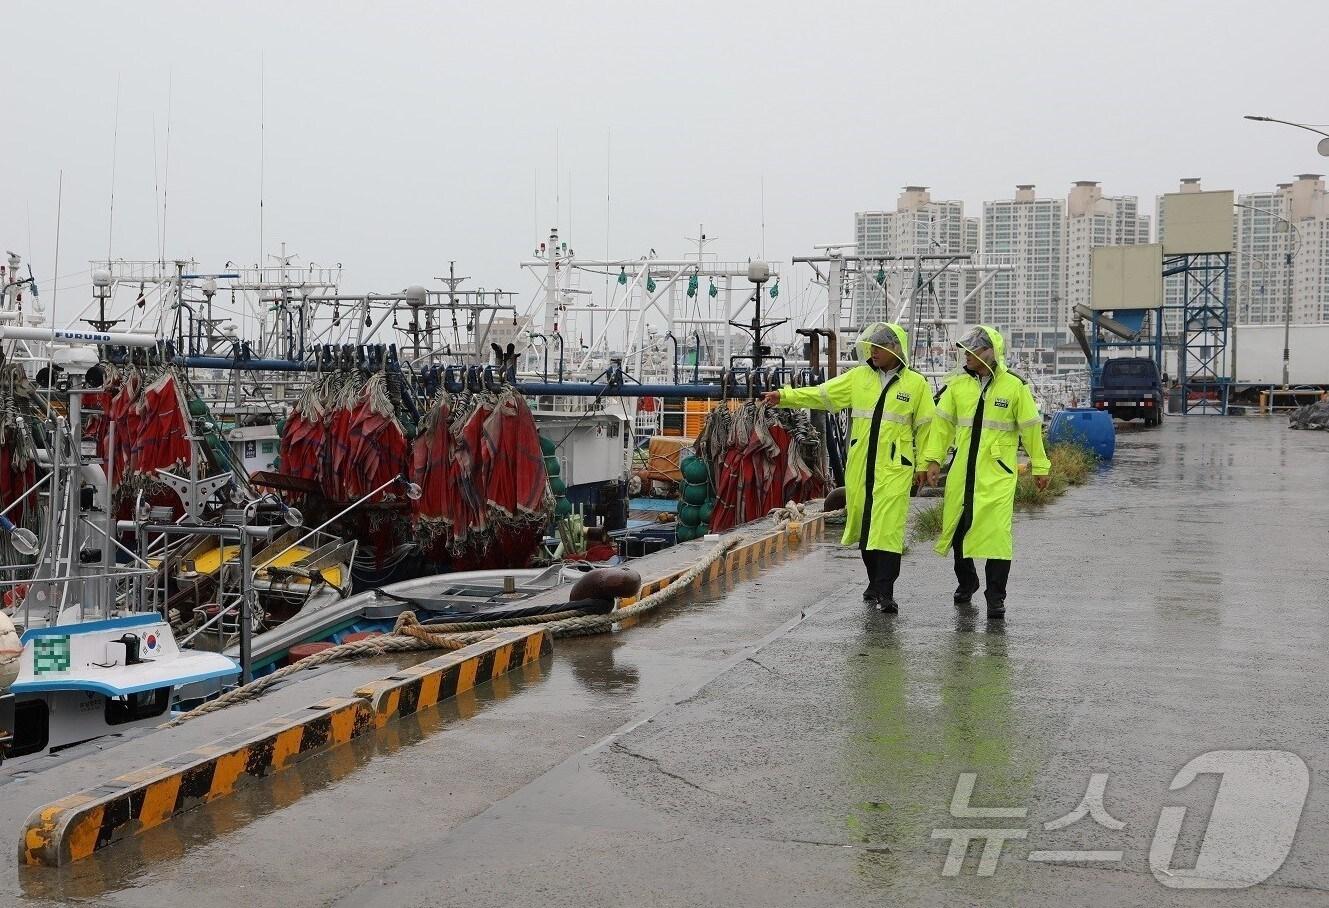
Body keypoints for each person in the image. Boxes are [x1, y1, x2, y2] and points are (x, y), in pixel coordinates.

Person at [762, 323, 933, 613]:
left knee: (888, 529)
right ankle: (874, 582)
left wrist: (927, 463)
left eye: (879, 347)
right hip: (861, 466)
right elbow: (822, 394)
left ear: (895, 349)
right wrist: (785, 396)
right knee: (867, 527)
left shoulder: (916, 385)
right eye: (871, 347)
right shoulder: (858, 378)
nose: (873, 352)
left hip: (895, 468)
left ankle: (886, 591)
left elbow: (927, 427)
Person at [922, 325, 1049, 620]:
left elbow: (1031, 430)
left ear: (990, 352)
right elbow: (942, 427)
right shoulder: (957, 387)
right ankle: (967, 582)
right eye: (965, 350)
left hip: (997, 475)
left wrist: (1041, 466)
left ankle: (995, 597)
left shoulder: (1014, 387)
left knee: (997, 536)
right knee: (958, 528)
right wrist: (932, 460)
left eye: (973, 350)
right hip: (962, 472)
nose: (966, 355)